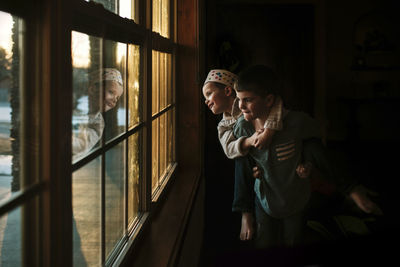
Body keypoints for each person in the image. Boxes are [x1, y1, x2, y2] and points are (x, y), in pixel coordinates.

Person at [233, 65, 382, 248]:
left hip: (294, 193)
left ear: (269, 100)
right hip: (264, 196)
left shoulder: (296, 122)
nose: (241, 106)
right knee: (264, 243)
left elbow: (317, 139)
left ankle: (352, 189)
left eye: (248, 100)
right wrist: (246, 212)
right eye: (239, 99)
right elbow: (242, 164)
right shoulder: (243, 127)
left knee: (293, 240)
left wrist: (307, 161)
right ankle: (245, 212)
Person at [202, 69, 310, 242]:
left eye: (208, 94)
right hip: (249, 162)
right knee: (240, 159)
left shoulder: (246, 101)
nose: (206, 101)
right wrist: (250, 141)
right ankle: (246, 213)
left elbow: (277, 105)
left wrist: (269, 131)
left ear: (229, 91)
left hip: (273, 157)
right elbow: (229, 149)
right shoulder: (224, 125)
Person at [72, 68, 124, 160]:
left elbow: (81, 146)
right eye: (111, 92)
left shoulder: (98, 124)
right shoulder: (76, 107)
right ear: (92, 89)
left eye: (117, 97)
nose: (114, 100)